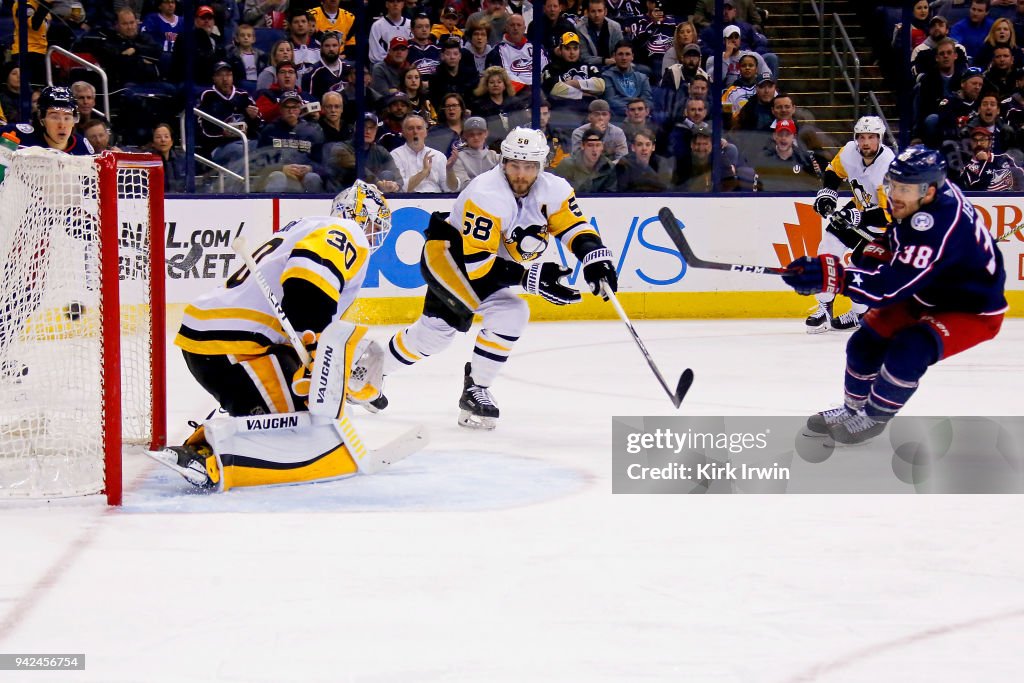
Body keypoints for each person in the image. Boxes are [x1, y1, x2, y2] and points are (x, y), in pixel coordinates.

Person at [363, 127, 618, 430]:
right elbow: (479, 266)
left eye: (529, 166)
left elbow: (573, 227)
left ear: (541, 165)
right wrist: (530, 276)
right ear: (504, 162)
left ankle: (475, 389)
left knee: (511, 313)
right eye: (514, 165)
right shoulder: (486, 193)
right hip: (450, 256)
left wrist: (594, 257)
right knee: (436, 335)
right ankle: (366, 374)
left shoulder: (555, 189)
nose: (521, 174)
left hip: (488, 265)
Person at [154, 181, 400, 490]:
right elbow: (307, 285)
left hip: (224, 337)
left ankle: (201, 447)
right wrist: (315, 350)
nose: (377, 232)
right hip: (237, 343)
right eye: (376, 223)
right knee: (303, 432)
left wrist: (323, 364)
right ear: (362, 216)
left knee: (304, 406)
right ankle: (211, 462)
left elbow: (301, 307)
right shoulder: (348, 233)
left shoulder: (308, 225)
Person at [784, 146, 1007, 445]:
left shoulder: (936, 225)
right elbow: (898, 240)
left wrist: (832, 276)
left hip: (970, 308)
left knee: (909, 349)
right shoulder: (927, 195)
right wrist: (876, 247)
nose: (895, 195)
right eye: (893, 185)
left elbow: (888, 288)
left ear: (928, 191)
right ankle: (852, 410)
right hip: (930, 288)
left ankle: (872, 418)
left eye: (905, 188)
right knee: (864, 342)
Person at [807, 116, 896, 333]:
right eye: (862, 137)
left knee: (859, 267)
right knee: (827, 249)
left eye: (871, 137)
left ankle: (859, 313)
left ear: (880, 139)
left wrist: (859, 218)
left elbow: (889, 214)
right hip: (859, 208)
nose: (866, 142)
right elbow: (833, 172)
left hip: (884, 225)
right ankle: (825, 307)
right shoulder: (849, 152)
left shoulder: (888, 167)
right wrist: (827, 194)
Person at [0, 86, 94, 155]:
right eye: (54, 117)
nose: (62, 125)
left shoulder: (82, 148)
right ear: (41, 118)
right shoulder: (16, 135)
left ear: (74, 120)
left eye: (67, 117)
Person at [390, 114, 458, 192]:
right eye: (410, 128)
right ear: (404, 133)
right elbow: (399, 188)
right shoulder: (395, 155)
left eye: (419, 128)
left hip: (435, 199)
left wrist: (449, 170)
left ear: (426, 132)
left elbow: (450, 189)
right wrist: (424, 172)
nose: (415, 132)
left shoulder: (438, 156)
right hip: (408, 201)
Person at [953, 126, 1024, 190]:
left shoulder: (1004, 158)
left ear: (990, 142)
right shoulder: (966, 166)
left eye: (982, 140)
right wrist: (985, 162)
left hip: (1010, 200)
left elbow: (1020, 176)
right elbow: (977, 189)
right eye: (975, 140)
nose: (979, 144)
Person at [553, 125, 618, 191]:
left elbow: (609, 195)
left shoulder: (608, 167)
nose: (594, 150)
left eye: (598, 145)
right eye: (590, 145)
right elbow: (557, 192)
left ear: (602, 147)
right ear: (582, 146)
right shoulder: (566, 165)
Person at [452, 115, 501, 189]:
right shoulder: (458, 158)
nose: (476, 137)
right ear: (465, 135)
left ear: (486, 134)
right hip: (469, 198)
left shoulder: (495, 157)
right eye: (471, 134)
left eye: (480, 134)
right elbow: (462, 186)